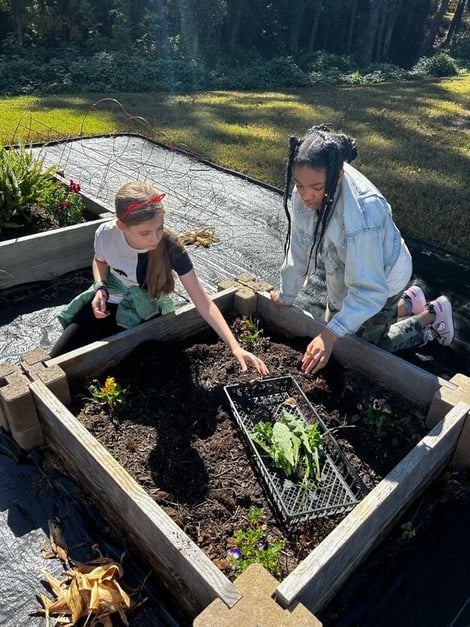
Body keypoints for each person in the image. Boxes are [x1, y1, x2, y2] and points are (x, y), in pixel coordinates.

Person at [271, 124, 454, 375]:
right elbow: (301, 244)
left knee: (366, 347)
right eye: (300, 185)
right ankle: (409, 302)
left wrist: (331, 334)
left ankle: (432, 316)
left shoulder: (362, 216)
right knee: (340, 326)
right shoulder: (309, 183)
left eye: (315, 188)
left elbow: (368, 290)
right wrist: (287, 294)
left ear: (338, 176)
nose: (305, 195)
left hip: (383, 277)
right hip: (350, 270)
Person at [50, 181, 269, 376]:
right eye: (145, 233)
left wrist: (234, 346)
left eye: (159, 228)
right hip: (112, 296)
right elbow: (100, 261)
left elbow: (203, 301)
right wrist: (100, 287)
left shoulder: (170, 247)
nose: (155, 238)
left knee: (120, 364)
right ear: (122, 227)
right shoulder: (106, 234)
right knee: (58, 358)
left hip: (147, 306)